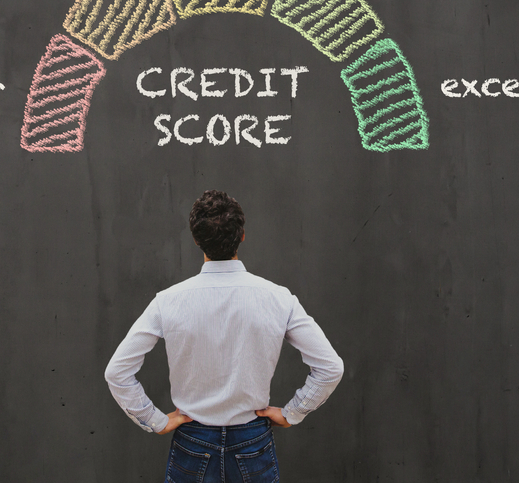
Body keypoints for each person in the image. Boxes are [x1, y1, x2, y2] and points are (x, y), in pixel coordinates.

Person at [104, 190, 344, 482]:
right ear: (242, 236)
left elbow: (117, 372)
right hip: (252, 441)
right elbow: (330, 367)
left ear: (196, 240)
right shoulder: (278, 298)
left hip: (192, 442)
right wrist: (292, 413)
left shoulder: (168, 301)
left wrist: (154, 420)